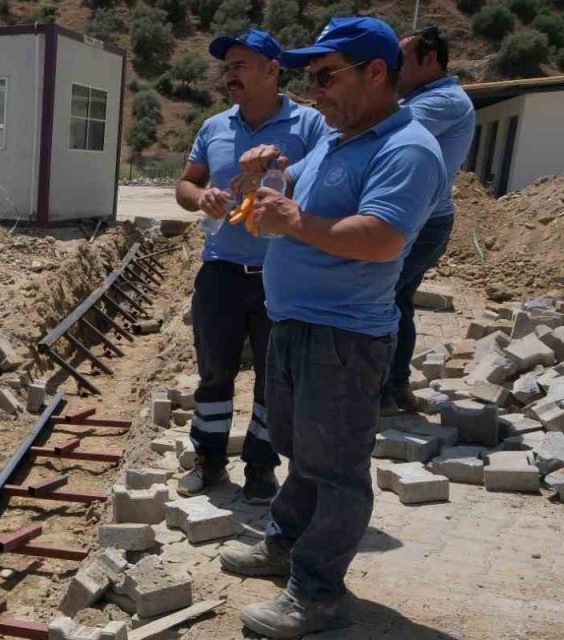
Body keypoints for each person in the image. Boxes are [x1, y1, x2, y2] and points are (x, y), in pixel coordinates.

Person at [219, 18, 446, 638]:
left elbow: (380, 238)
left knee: (338, 466)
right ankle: (286, 544)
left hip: (343, 337)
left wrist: (292, 219)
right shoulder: (341, 139)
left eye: (325, 76)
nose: (313, 92)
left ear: (377, 73)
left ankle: (316, 593)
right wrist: (276, 172)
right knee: (305, 452)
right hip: (297, 323)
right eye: (310, 78)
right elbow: (310, 201)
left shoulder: (408, 148)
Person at [173, 29, 329, 503]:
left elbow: (325, 189)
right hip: (221, 268)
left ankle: (261, 465)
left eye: (241, 65)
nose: (230, 74)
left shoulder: (310, 127)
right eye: (228, 66)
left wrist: (276, 174)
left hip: (281, 274)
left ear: (271, 69)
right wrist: (203, 197)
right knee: (214, 371)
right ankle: (209, 458)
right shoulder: (214, 127)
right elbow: (185, 185)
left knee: (273, 378)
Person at [382, 25, 476, 414]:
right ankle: (393, 388)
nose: (394, 70)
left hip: (423, 223)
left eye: (401, 62)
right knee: (394, 299)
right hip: (420, 219)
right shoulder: (429, 97)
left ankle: (385, 390)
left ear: (431, 60)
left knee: (382, 298)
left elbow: (384, 126)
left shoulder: (443, 101)